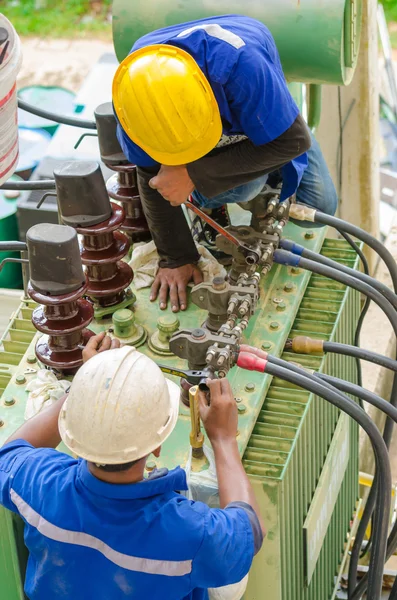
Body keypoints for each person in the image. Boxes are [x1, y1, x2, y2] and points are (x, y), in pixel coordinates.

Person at [0, 332, 264, 600]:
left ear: (73, 433)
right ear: (157, 445)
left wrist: (88, 386)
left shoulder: (40, 483)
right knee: (232, 587)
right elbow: (250, 532)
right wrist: (223, 439)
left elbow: (8, 453)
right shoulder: (189, 531)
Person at [112, 14, 338, 313]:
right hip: (208, 97)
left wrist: (193, 173)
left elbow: (293, 142)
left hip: (249, 94)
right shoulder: (133, 102)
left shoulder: (242, 70)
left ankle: (275, 119)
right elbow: (153, 177)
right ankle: (212, 204)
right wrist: (176, 257)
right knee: (241, 188)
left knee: (320, 206)